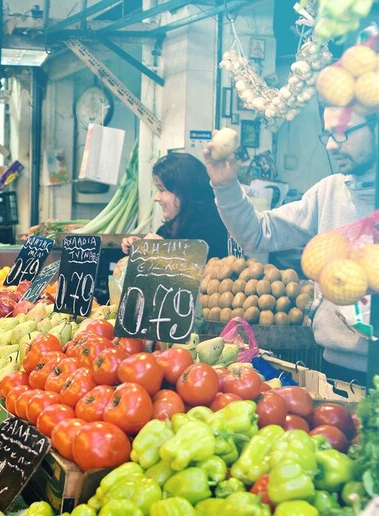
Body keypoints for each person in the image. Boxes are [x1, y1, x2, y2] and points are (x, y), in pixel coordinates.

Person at [203, 105, 376, 382]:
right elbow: (258, 233)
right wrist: (225, 185)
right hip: (336, 367)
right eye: (328, 135)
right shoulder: (329, 192)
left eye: (342, 133)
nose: (331, 145)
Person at [121, 152, 231, 258]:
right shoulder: (167, 230)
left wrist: (164, 250)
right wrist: (139, 247)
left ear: (184, 191)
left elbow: (204, 272)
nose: (156, 198)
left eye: (161, 190)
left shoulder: (212, 230)